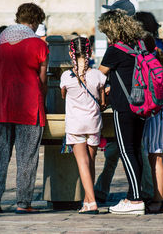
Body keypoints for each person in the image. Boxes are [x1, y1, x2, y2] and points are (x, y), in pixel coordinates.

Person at [0, 2, 48, 214]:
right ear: (34, 21)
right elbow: (42, 81)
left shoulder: (1, 45)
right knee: (27, 158)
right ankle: (23, 203)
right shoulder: (39, 45)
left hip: (4, 106)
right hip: (30, 107)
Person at [94, 0, 154, 205]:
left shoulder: (114, 50)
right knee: (136, 150)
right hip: (142, 104)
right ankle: (136, 194)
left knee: (126, 151)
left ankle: (134, 199)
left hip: (124, 105)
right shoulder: (139, 44)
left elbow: (98, 77)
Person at [134, 12, 163, 214]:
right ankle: (157, 197)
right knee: (157, 157)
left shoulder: (143, 55)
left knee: (154, 158)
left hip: (155, 111)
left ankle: (157, 199)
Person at [60, 37, 106, 214]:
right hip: (94, 124)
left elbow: (63, 95)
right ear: (90, 53)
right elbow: (102, 101)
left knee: (82, 164)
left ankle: (91, 202)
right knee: (91, 162)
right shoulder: (98, 75)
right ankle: (87, 201)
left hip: (75, 125)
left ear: (71, 53)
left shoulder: (66, 76)